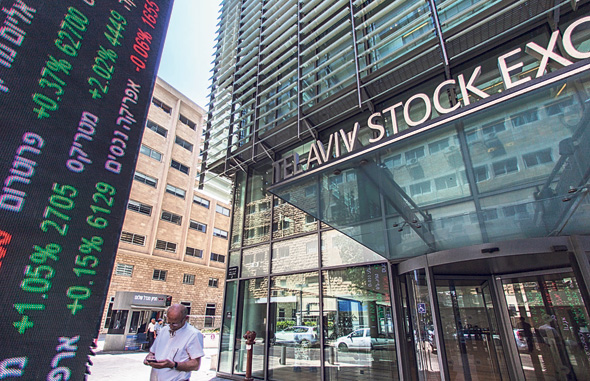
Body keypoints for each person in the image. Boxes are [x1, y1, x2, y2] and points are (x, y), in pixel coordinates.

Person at [144, 304, 204, 380]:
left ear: (186, 318)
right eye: (169, 323)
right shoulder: (164, 330)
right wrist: (149, 358)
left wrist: (174, 365)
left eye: (175, 323)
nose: (171, 326)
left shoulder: (193, 334)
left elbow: (195, 365)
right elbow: (153, 352)